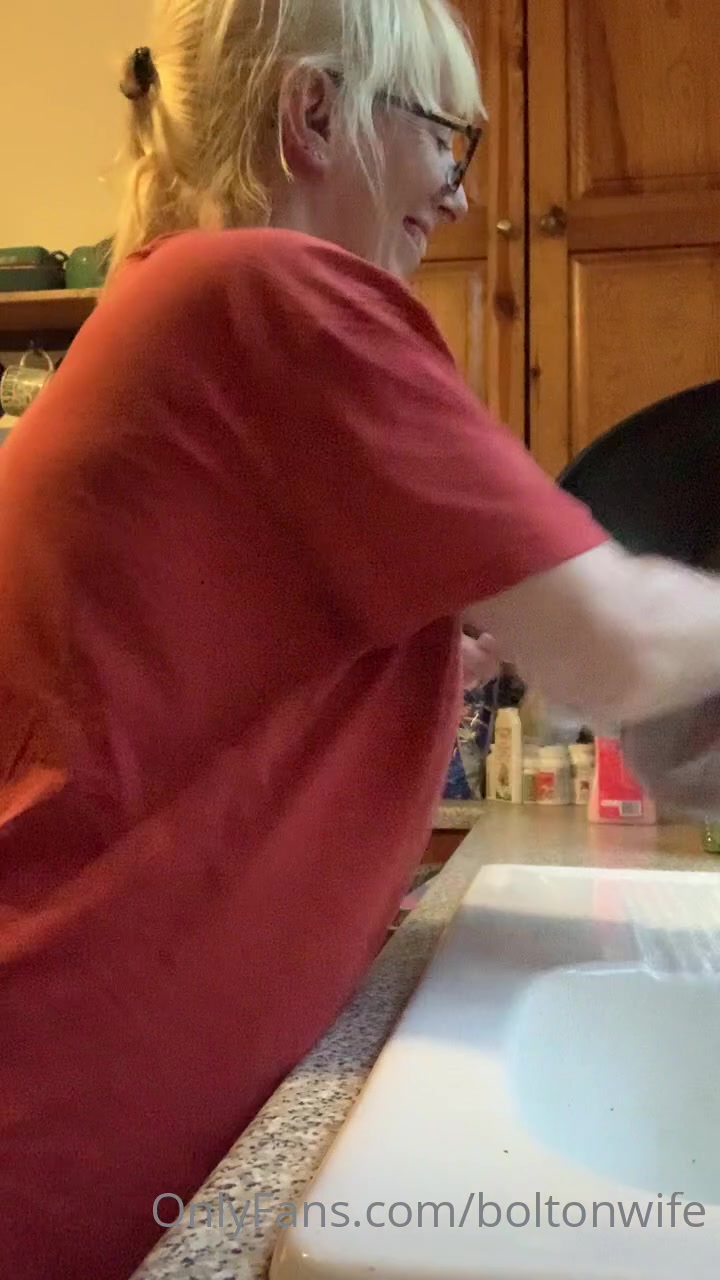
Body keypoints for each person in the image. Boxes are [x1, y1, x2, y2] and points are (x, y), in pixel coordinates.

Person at [1, 0, 719, 1275]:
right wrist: (614, 635)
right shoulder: (271, 286)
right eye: (446, 136)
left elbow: (230, 685)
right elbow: (613, 641)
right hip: (82, 1117)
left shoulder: (184, 303)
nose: (458, 193)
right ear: (316, 114)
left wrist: (479, 647)